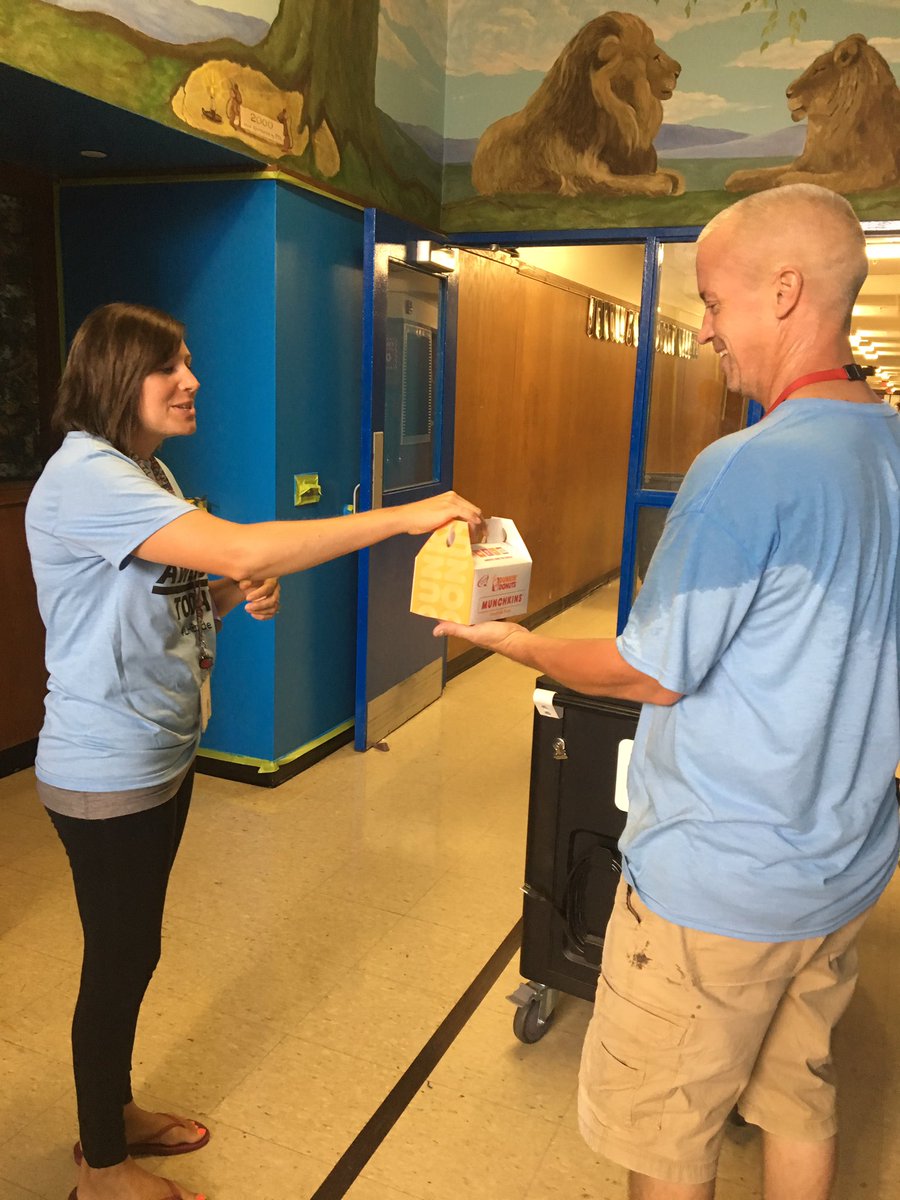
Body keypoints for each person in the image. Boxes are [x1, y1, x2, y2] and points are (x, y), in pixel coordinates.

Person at [435, 184, 900, 1200]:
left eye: (715, 302)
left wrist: (517, 645)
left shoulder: (749, 469)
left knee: (668, 1135)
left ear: (784, 292)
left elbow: (651, 670)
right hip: (842, 869)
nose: (706, 335)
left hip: (719, 888)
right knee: (797, 1099)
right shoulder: (891, 451)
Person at [25, 302, 482, 1200]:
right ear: (119, 376)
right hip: (103, 768)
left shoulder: (144, 471)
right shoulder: (85, 476)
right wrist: (399, 517)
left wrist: (230, 597)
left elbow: (172, 596)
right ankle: (102, 1173)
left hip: (156, 756)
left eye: (189, 362)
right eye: (172, 367)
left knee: (136, 951)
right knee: (117, 960)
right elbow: (235, 543)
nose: (192, 381)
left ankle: (106, 1114)